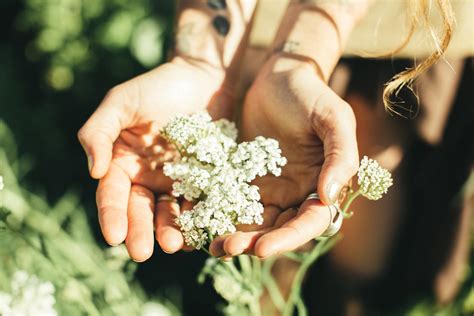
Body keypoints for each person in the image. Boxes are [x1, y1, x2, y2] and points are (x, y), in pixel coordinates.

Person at [78, 0, 472, 309]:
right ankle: (281, 300)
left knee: (379, 141)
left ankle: (355, 298)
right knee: (302, 177)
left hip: (414, 18)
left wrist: (300, 57)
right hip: (268, 24)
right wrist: (200, 62)